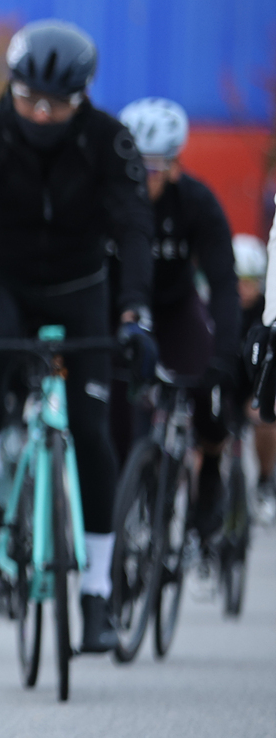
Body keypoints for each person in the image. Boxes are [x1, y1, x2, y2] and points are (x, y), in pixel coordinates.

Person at [0, 22, 154, 654]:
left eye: (57, 105)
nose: (41, 114)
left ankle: (95, 594)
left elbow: (134, 229)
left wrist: (135, 314)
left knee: (91, 430)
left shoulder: (109, 141)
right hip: (4, 283)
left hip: (80, 285)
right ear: (11, 87)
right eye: (29, 99)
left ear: (82, 98)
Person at [110, 98, 239, 537]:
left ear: (173, 167)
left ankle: (210, 470)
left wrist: (225, 353)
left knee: (208, 390)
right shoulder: (108, 199)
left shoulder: (196, 203)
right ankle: (127, 504)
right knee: (115, 416)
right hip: (121, 310)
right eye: (131, 168)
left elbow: (223, 282)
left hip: (176, 308)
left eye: (149, 170)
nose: (138, 179)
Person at [230, 233, 276, 521]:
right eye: (238, 279)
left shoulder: (267, 313)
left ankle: (264, 481)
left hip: (256, 387)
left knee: (266, 419)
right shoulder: (219, 306)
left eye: (249, 280)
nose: (242, 288)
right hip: (227, 384)